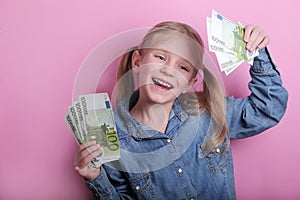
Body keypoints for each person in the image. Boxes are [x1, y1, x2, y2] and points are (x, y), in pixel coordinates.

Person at [73, 21, 288, 199]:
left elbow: (267, 109)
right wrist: (96, 178)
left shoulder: (209, 112)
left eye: (182, 67)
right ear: (137, 61)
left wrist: (257, 53)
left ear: (189, 82)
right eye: (160, 57)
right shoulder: (112, 139)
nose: (168, 70)